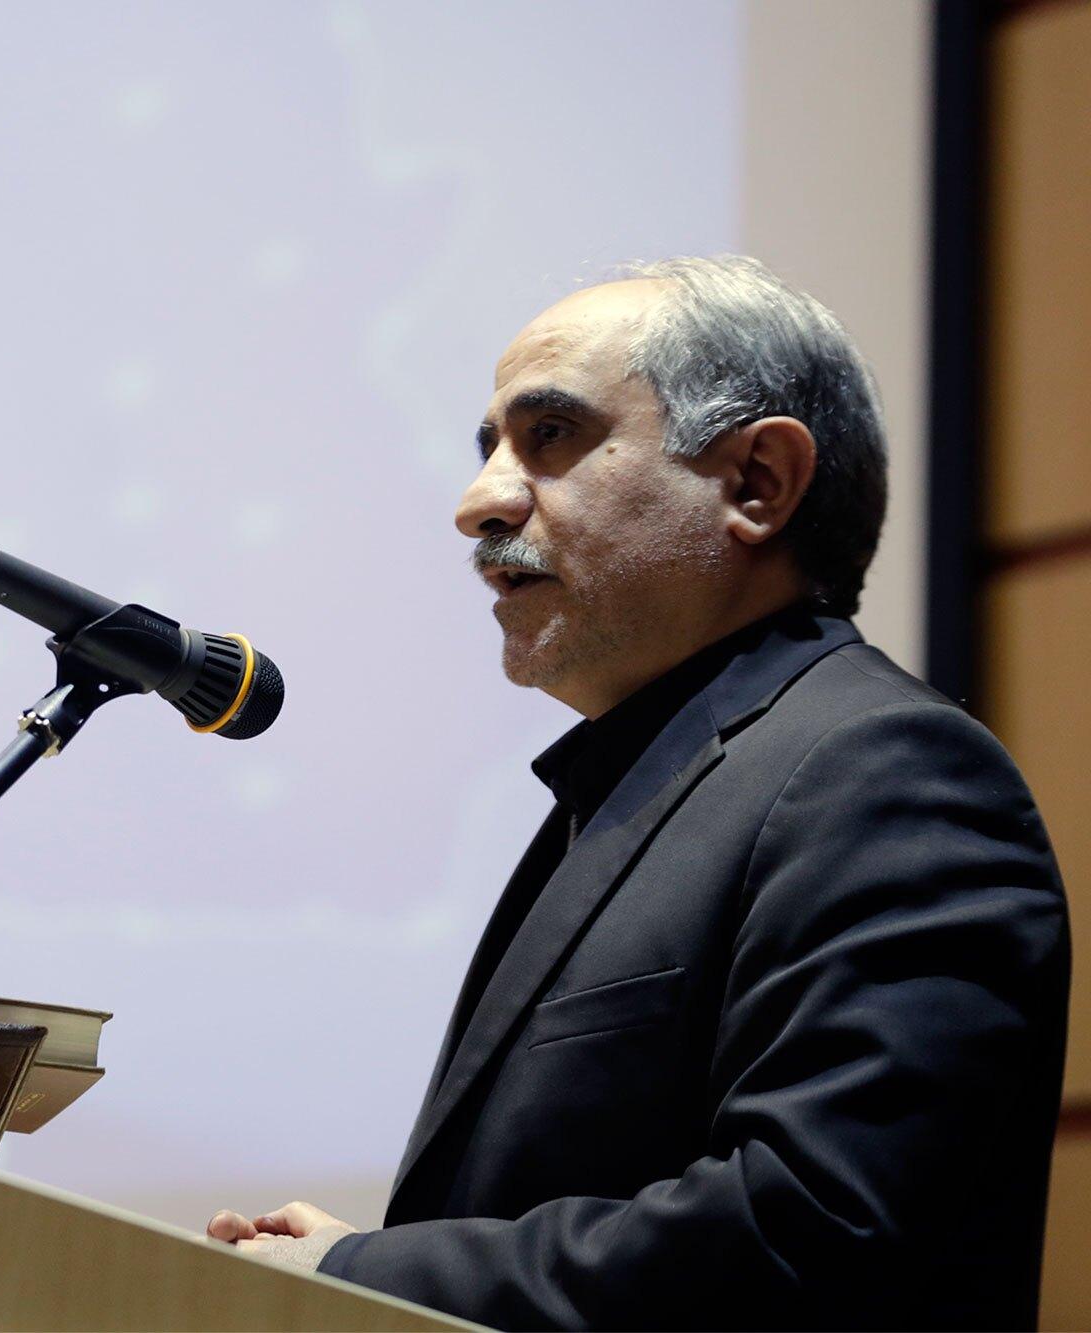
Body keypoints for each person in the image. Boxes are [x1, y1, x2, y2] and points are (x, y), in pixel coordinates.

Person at [207, 257, 1070, 1330]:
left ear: (757, 482)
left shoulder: (885, 771)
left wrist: (365, 1274)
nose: (478, 503)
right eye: (488, 449)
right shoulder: (639, 775)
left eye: (551, 434)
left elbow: (814, 1230)